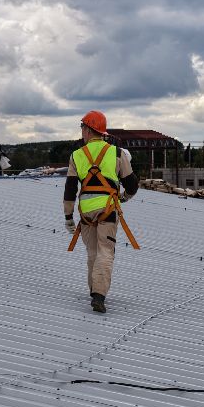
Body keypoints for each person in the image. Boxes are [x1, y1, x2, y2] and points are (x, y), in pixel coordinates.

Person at [63, 110, 138, 313]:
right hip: (108, 210)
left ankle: (94, 291)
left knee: (93, 252)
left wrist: (68, 216)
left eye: (82, 128)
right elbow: (132, 185)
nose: (81, 132)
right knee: (106, 251)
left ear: (88, 129)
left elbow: (70, 188)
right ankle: (99, 295)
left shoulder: (76, 155)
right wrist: (123, 197)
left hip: (85, 213)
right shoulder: (116, 153)